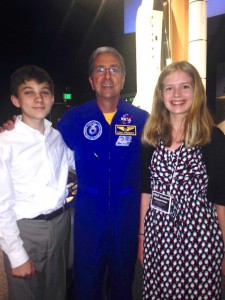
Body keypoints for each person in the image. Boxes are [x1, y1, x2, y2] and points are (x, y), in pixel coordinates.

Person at [57, 46, 149, 300]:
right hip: (89, 214)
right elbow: (46, 145)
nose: (107, 76)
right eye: (100, 70)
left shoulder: (142, 119)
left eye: (114, 69)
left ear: (123, 78)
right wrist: (16, 128)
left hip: (126, 214)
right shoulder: (74, 118)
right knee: (86, 282)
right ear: (91, 80)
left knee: (123, 280)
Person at [138, 60, 225, 299]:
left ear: (196, 91)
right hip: (159, 236)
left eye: (184, 86)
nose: (177, 94)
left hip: (199, 237)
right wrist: (142, 238)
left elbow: (221, 199)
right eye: (169, 88)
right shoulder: (151, 136)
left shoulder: (211, 137)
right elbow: (146, 191)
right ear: (161, 95)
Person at [0, 65, 75, 300]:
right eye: (29, 92)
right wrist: (16, 254)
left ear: (53, 98)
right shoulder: (6, 143)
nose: (38, 98)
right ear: (15, 100)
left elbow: (74, 165)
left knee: (57, 292)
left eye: (44, 92)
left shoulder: (57, 137)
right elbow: (1, 204)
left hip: (60, 224)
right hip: (27, 231)